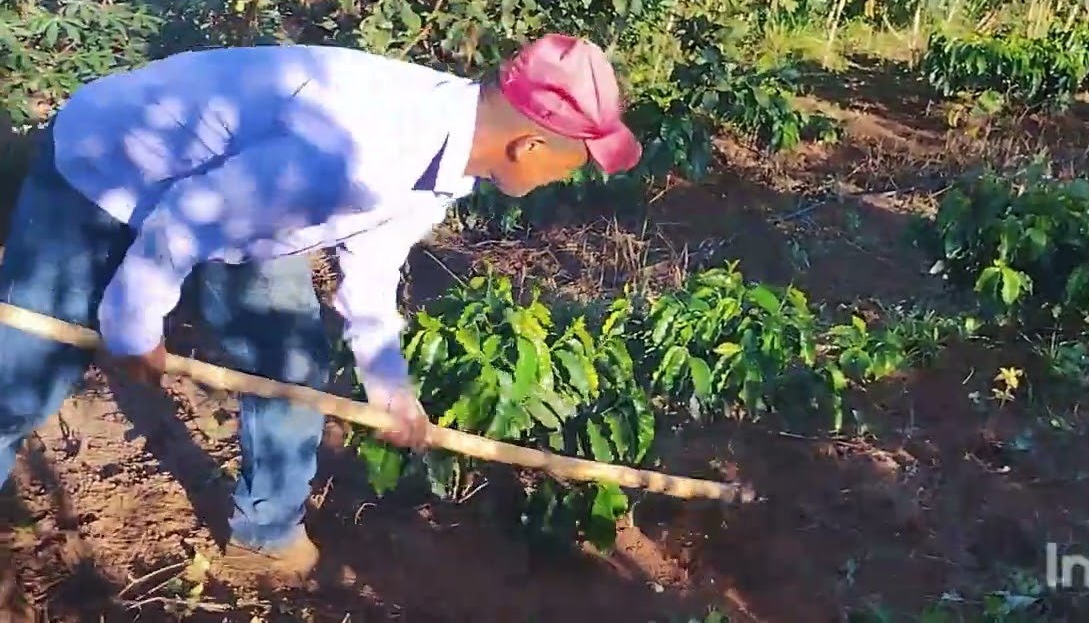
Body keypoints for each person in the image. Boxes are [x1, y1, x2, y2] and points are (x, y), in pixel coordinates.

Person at [0, 34, 640, 582]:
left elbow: (372, 258)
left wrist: (389, 387)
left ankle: (265, 534)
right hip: (115, 161)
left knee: (291, 362)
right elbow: (186, 219)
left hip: (236, 188)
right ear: (529, 145)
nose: (572, 176)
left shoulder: (451, 150)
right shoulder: (359, 152)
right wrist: (133, 324)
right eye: (576, 161)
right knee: (28, 368)